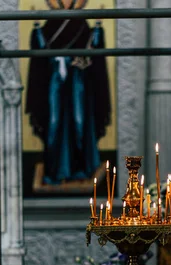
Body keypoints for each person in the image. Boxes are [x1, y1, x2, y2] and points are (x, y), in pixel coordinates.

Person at [25, 1, 111, 185]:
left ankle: (79, 169)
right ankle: (55, 170)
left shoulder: (81, 23)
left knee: (79, 122)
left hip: (77, 82)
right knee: (54, 123)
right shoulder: (49, 25)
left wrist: (96, 32)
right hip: (55, 81)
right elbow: (40, 54)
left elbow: (93, 51)